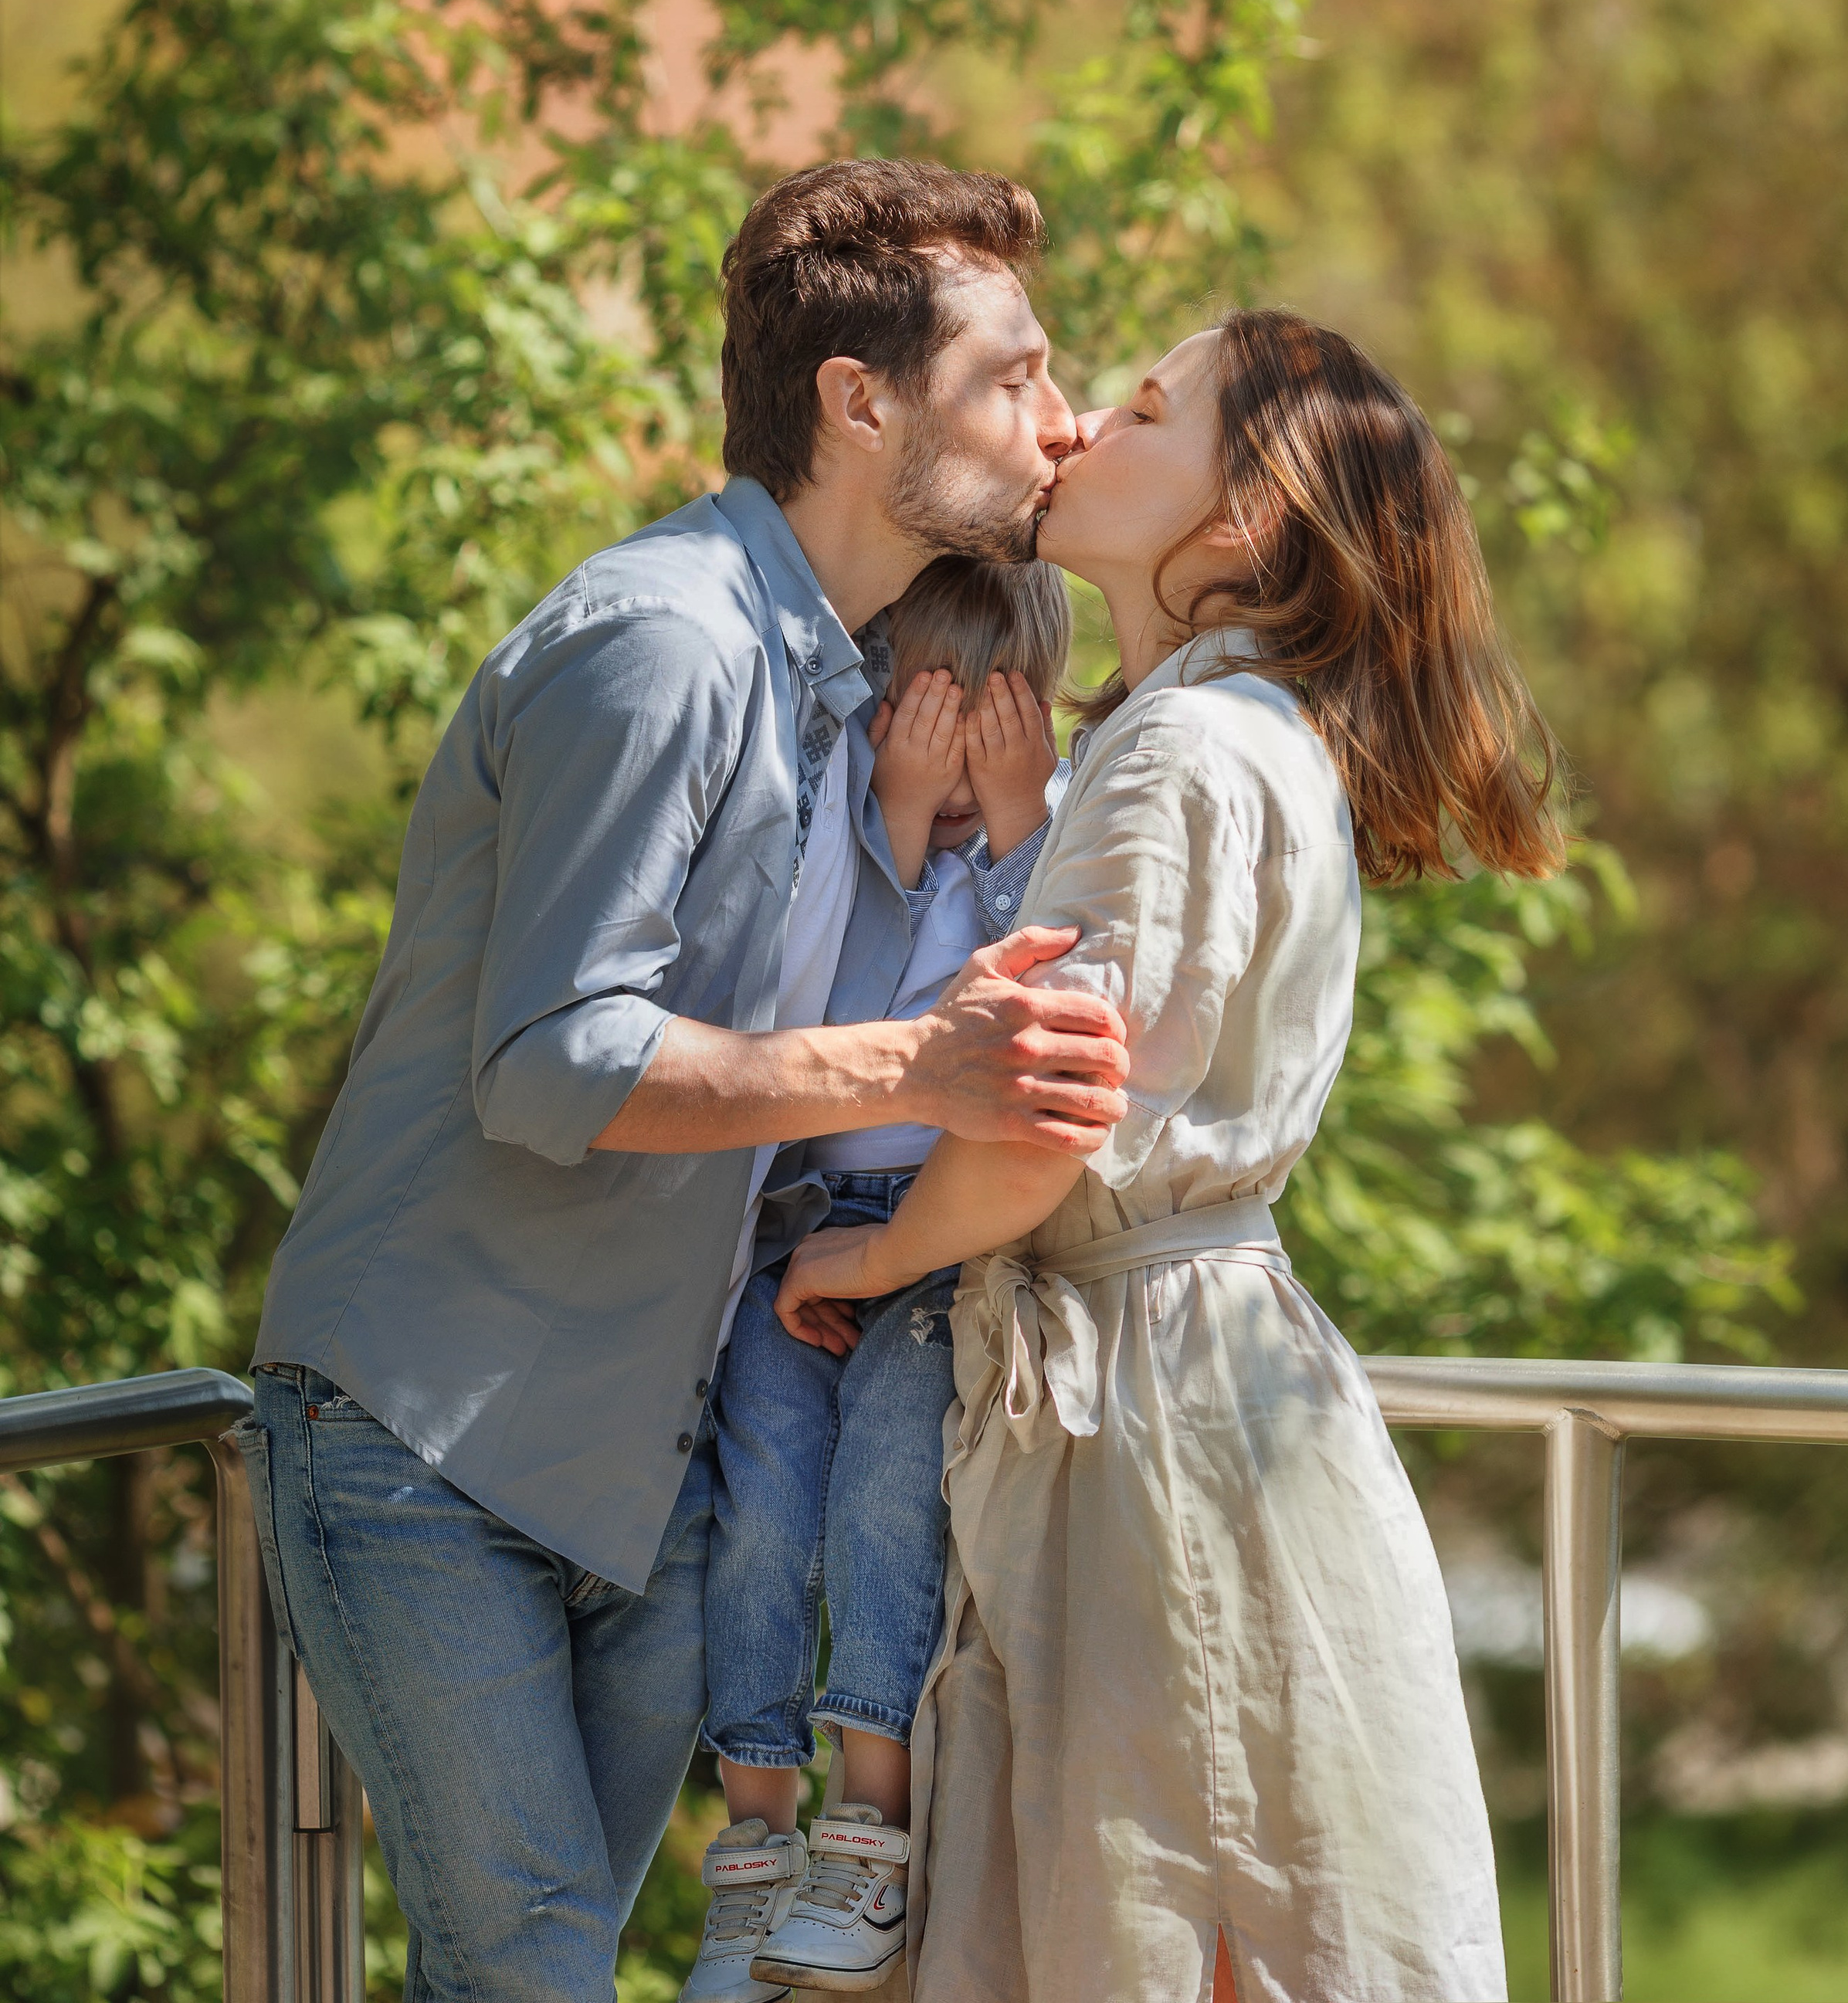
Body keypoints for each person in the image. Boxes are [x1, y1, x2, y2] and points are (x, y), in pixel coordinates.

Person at [239, 161, 1130, 2003]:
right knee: (541, 1974)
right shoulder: (665, 641)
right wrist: (924, 1063)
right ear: (859, 399)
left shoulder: (847, 678)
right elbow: (553, 1058)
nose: (1059, 423)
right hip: (427, 1438)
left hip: (646, 1474)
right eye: (1012, 376)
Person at [777, 309, 1562, 2003]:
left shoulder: (1181, 752)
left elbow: (1042, 1122)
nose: (1070, 433)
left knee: (1175, 1896)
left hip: (1152, 1421)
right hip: (1203, 1381)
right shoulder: (1236, 736)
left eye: (1139, 409)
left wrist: (864, 1252)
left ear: (1246, 519)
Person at [687, 558, 1071, 2002]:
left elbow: (1072, 976)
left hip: (946, 1227)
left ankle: (871, 1827)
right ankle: (752, 1844)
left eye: (993, 718)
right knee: (764, 1493)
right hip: (803, 1218)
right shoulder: (846, 823)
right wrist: (897, 820)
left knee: (882, 1488)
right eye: (925, 711)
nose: (956, 750)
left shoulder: (1050, 832)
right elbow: (818, 1022)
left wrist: (1020, 813)